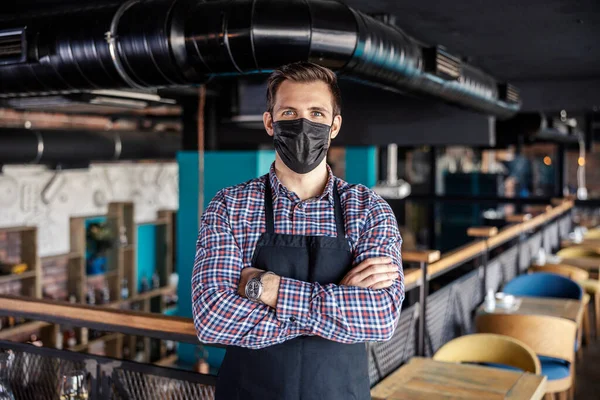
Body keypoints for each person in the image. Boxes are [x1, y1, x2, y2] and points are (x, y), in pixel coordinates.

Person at [192, 62, 404, 400]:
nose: (303, 124)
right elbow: (212, 319)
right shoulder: (229, 206)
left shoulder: (369, 210)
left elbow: (380, 319)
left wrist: (271, 290)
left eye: (317, 113)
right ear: (269, 122)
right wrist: (338, 306)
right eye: (289, 112)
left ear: (334, 126)